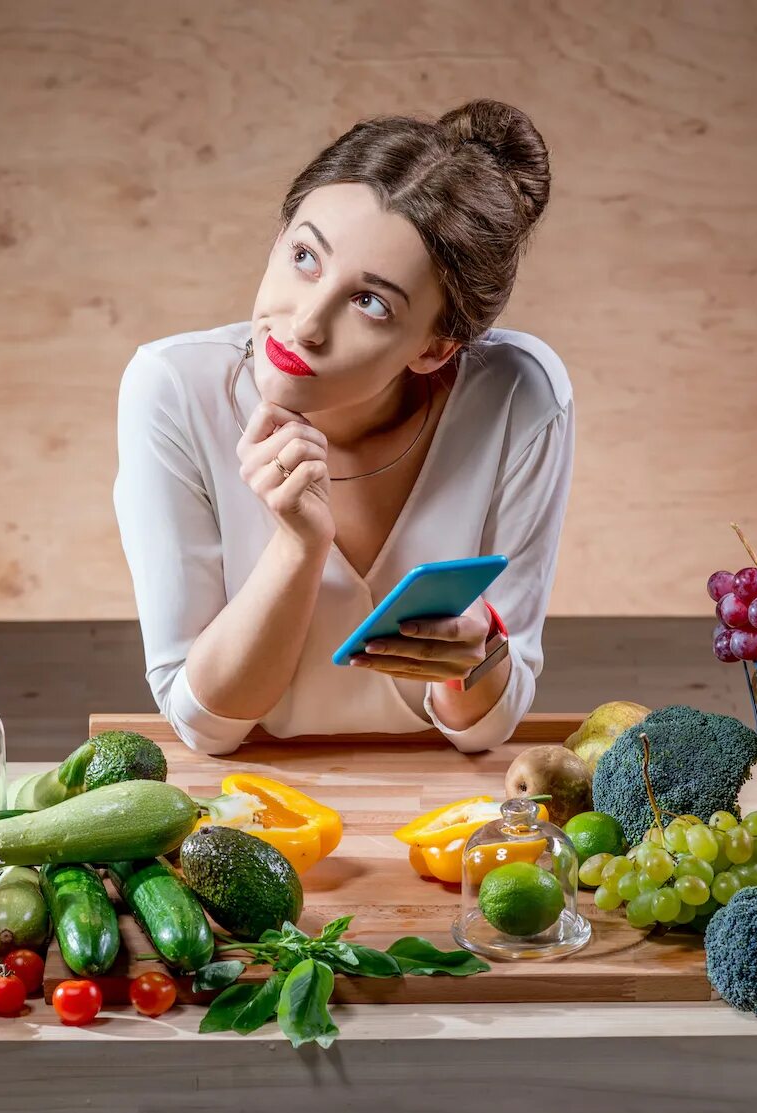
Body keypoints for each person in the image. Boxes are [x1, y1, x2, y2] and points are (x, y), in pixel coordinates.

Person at [113, 98, 573, 756]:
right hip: (249, 803)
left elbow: (488, 728)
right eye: (305, 257)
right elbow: (206, 723)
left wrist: (480, 651)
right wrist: (300, 546)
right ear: (278, 239)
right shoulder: (172, 388)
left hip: (438, 801)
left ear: (436, 348)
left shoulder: (522, 397)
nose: (305, 323)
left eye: (370, 302)